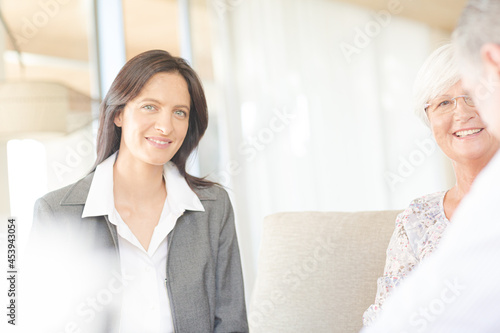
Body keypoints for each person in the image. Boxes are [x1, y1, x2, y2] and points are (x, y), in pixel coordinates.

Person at [28, 50, 248, 333]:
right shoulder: (56, 213)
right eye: (150, 107)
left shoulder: (213, 207)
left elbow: (231, 321)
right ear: (119, 113)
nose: (165, 126)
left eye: (179, 112)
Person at [362, 0, 500, 331]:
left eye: (473, 95)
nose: (462, 113)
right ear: (428, 120)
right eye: (443, 102)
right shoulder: (416, 219)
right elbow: (384, 316)